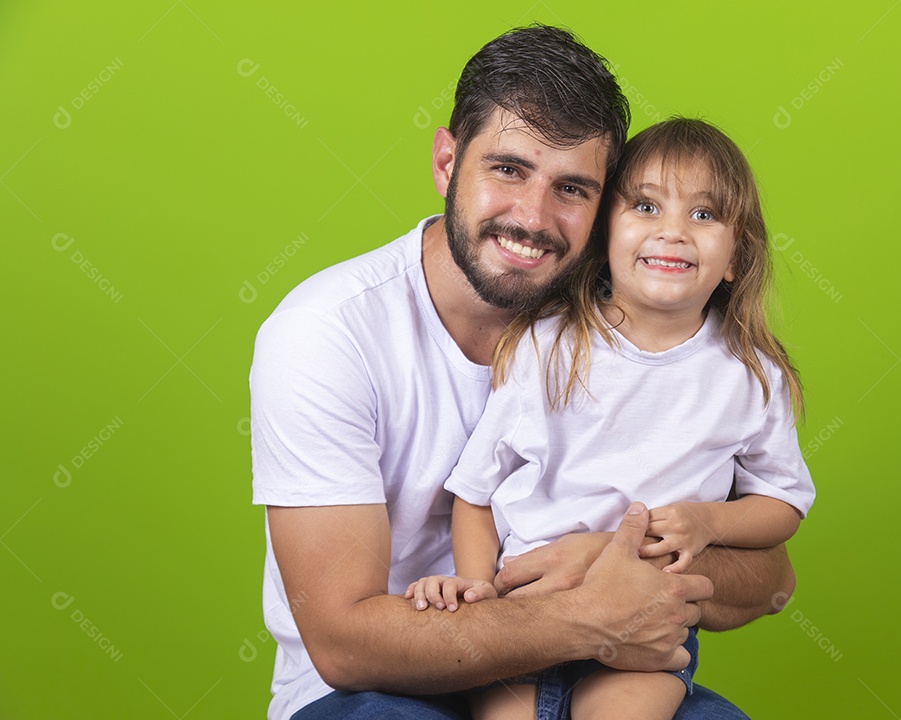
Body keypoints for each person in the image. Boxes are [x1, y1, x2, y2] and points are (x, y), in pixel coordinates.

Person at [250, 25, 794, 720]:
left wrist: (606, 555)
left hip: (606, 672)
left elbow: (769, 579)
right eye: (508, 169)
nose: (533, 217)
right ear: (447, 163)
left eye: (572, 187)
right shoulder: (326, 333)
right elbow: (346, 644)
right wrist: (586, 610)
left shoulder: (635, 330)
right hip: (378, 692)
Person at [406, 118, 815, 720]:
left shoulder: (749, 374)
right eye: (646, 206)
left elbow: (782, 506)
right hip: (527, 606)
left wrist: (707, 522)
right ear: (604, 235)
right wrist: (481, 592)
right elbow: (473, 494)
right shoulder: (545, 348)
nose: (673, 232)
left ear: (737, 256)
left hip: (647, 619)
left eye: (704, 216)